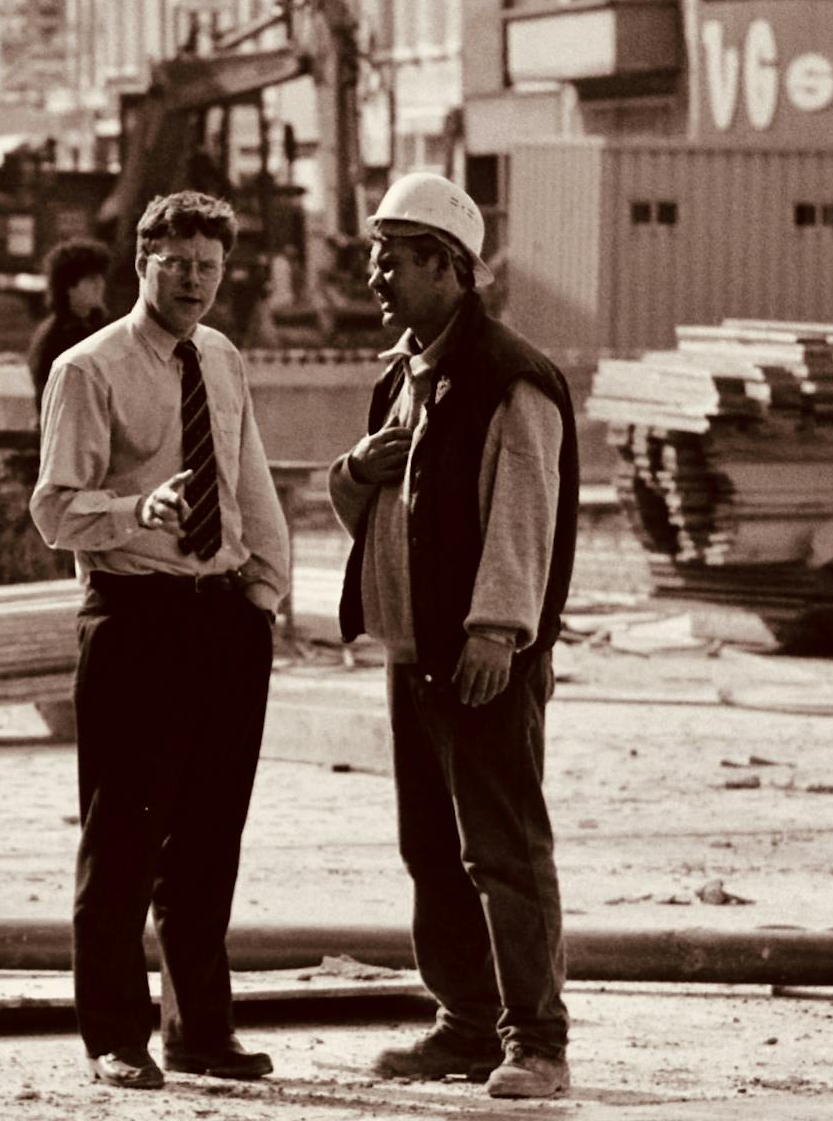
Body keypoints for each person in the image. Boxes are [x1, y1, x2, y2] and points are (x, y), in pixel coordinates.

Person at [326, 172, 578, 1100]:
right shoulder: (404, 372)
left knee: (503, 848)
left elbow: (526, 515)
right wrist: (355, 468)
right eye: (375, 256)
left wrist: (497, 630)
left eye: (391, 259)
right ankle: (465, 1023)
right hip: (412, 647)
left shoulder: (510, 378)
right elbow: (374, 513)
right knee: (431, 846)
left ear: (447, 267)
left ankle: (538, 1042)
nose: (375, 275)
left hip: (480, 656)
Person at [31, 191, 289, 1091]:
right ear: (140, 263)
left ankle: (201, 1032)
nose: (192, 283)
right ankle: (114, 1035)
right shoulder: (88, 369)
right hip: (136, 615)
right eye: (175, 264)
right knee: (126, 839)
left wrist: (264, 589)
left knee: (212, 837)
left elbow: (248, 475)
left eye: (208, 268)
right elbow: (56, 509)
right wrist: (132, 510)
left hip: (222, 619)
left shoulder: (220, 357)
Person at [28, 237, 111, 417]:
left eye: (100, 277)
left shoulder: (103, 329)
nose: (100, 285)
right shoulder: (53, 338)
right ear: (69, 286)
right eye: (90, 279)